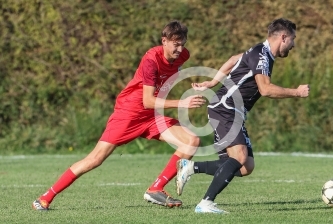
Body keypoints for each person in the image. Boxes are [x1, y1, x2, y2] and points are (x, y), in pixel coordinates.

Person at [32, 20, 206, 211]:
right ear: (164, 41)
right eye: (176, 44)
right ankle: (45, 198)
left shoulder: (183, 56)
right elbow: (147, 100)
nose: (180, 49)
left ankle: (156, 188)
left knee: (192, 141)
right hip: (129, 112)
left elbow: (171, 77)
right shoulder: (151, 61)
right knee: (95, 159)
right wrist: (182, 103)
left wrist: (197, 85)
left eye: (182, 44)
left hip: (152, 115)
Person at [176, 18, 310, 213]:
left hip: (232, 111)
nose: (294, 44)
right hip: (226, 108)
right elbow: (265, 89)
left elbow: (232, 60)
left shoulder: (260, 51)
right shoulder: (261, 55)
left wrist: (213, 83)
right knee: (239, 156)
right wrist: (296, 92)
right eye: (293, 39)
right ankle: (206, 203)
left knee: (246, 166)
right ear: (283, 37)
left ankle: (191, 167)